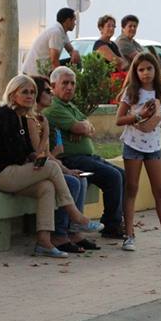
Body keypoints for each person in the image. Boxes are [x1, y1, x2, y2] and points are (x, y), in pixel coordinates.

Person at [0, 75, 95, 258]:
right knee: (51, 168)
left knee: (46, 187)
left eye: (32, 92)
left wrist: (41, 139)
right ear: (13, 95)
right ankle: (75, 215)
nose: (30, 96)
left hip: (10, 172)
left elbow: (31, 152)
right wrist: (35, 159)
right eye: (25, 92)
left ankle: (44, 242)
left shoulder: (21, 117)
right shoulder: (6, 116)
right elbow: (15, 155)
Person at [114, 52, 161, 253]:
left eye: (149, 69)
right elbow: (119, 119)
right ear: (135, 72)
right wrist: (138, 117)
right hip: (133, 145)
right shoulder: (132, 91)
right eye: (141, 69)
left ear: (156, 70)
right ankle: (129, 235)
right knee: (132, 189)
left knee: (160, 191)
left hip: (154, 146)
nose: (145, 73)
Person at [44, 66, 126, 239]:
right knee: (113, 176)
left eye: (72, 83)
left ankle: (114, 221)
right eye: (65, 83)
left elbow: (89, 127)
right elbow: (79, 126)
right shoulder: (54, 107)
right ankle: (112, 225)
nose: (70, 87)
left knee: (122, 174)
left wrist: (82, 128)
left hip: (87, 157)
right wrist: (79, 128)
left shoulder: (69, 106)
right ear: (53, 85)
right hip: (72, 160)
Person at [32, 75, 103, 252]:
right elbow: (38, 154)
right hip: (29, 168)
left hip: (43, 165)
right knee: (71, 181)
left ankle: (75, 232)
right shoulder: (32, 119)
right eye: (48, 91)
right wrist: (63, 167)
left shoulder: (42, 118)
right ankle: (60, 234)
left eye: (73, 83)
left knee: (80, 178)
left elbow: (46, 154)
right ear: (37, 94)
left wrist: (68, 169)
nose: (51, 95)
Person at [21, 8, 80, 75]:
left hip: (43, 69)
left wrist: (74, 52)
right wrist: (59, 79)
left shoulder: (62, 32)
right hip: (34, 73)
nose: (75, 24)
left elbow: (70, 49)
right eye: (74, 21)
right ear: (68, 20)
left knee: (76, 62)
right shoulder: (56, 32)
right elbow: (54, 61)